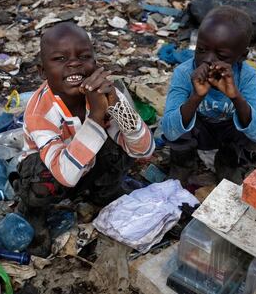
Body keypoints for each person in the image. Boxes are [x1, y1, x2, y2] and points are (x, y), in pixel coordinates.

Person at [14, 21, 154, 255]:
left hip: (89, 168)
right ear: (42, 72)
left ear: (95, 64)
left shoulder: (106, 93)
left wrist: (117, 105)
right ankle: (33, 213)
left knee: (119, 147)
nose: (74, 64)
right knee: (39, 174)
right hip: (54, 175)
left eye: (84, 56)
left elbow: (144, 150)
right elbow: (66, 175)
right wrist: (97, 116)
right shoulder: (39, 111)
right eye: (60, 59)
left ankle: (103, 193)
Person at [161, 6, 256, 184]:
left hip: (228, 133)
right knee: (177, 118)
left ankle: (228, 163)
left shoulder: (246, 76)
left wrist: (235, 96)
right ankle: (183, 164)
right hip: (200, 130)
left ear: (241, 56)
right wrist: (196, 97)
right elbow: (169, 130)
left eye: (221, 56)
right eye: (201, 50)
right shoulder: (184, 73)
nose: (208, 60)